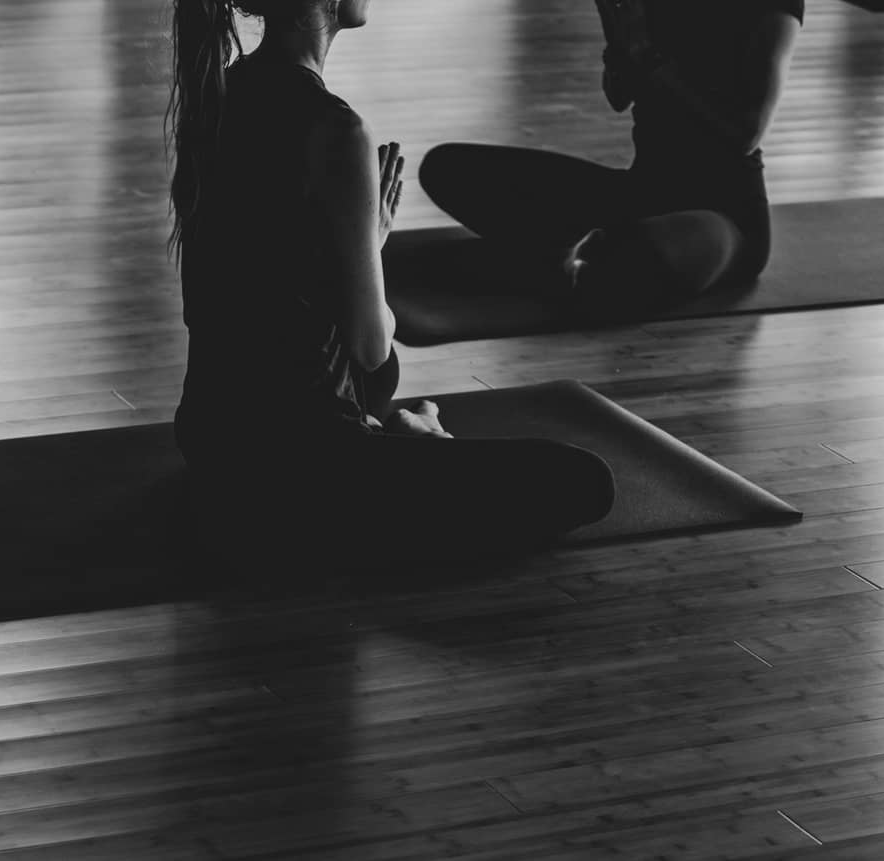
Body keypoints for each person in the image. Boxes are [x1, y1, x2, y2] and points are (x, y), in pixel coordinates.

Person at [166, 0, 615, 570]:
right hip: (304, 469)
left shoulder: (215, 94)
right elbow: (370, 344)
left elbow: (220, 300)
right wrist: (371, 244)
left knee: (377, 381)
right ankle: (414, 439)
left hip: (211, 441)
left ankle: (389, 439)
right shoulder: (336, 126)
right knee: (583, 481)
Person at [419, 0, 804, 314]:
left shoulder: (772, 7)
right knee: (445, 167)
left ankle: (566, 258)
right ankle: (570, 260)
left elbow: (747, 133)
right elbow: (619, 96)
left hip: (722, 217)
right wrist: (618, 36)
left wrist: (649, 58)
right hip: (642, 193)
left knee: (638, 255)